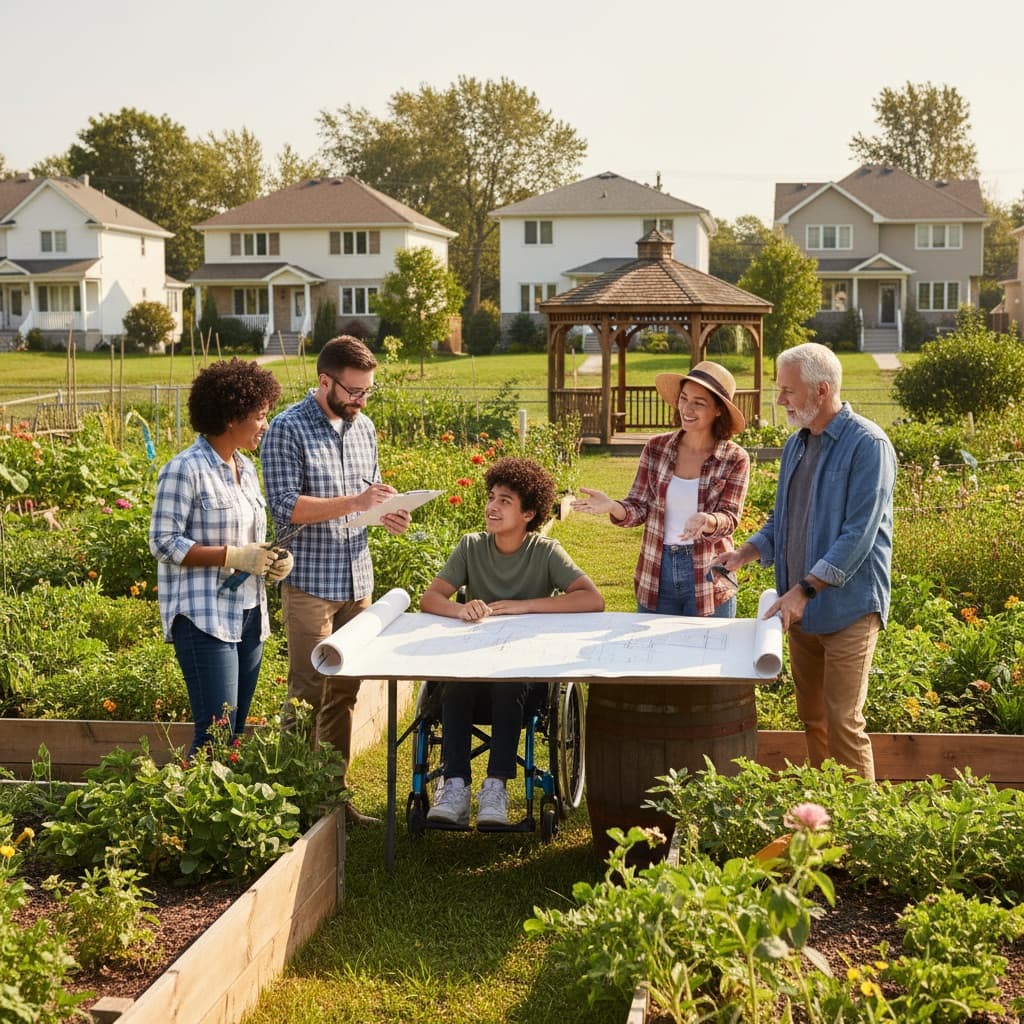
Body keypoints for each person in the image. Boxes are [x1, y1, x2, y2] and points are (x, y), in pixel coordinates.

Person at [719, 342, 896, 781]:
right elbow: (782, 519)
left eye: (787, 390)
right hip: (800, 611)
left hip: (849, 609)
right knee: (813, 718)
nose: (779, 399)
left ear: (821, 390)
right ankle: (825, 808)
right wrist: (745, 553)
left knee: (843, 721)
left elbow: (858, 535)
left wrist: (804, 589)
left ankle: (860, 819)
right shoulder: (796, 445)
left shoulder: (868, 445)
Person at [260, 335, 411, 827]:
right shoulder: (287, 429)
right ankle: (290, 805)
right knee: (307, 692)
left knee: (344, 692)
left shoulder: (363, 427)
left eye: (367, 391)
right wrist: (357, 502)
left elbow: (371, 493)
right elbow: (285, 507)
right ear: (325, 381)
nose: (361, 401)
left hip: (356, 578)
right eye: (353, 391)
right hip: (310, 581)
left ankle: (332, 800)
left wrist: (388, 511)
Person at [420, 457, 604, 828]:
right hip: (474, 666)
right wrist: (461, 609)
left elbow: (592, 599)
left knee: (509, 684)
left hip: (523, 675)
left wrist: (525, 606)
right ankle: (454, 786)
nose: (492, 506)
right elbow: (430, 598)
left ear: (528, 513)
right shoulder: (471, 546)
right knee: (454, 684)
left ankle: (495, 788)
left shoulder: (545, 551)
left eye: (504, 501)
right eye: (491, 497)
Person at [150, 358, 292, 757]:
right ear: (231, 417)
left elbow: (249, 542)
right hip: (204, 617)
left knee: (234, 733)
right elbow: (163, 542)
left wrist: (272, 560)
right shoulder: (184, 470)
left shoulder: (246, 468)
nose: (266, 425)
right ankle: (188, 798)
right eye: (260, 416)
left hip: (249, 612)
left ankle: (221, 797)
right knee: (215, 734)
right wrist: (233, 555)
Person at [573, 360, 750, 619]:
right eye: (684, 398)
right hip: (657, 570)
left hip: (709, 574)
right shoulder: (656, 448)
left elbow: (730, 517)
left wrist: (708, 520)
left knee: (708, 646)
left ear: (718, 410)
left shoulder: (734, 458)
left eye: (699, 403)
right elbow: (639, 506)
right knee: (652, 646)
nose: (687, 409)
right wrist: (613, 506)